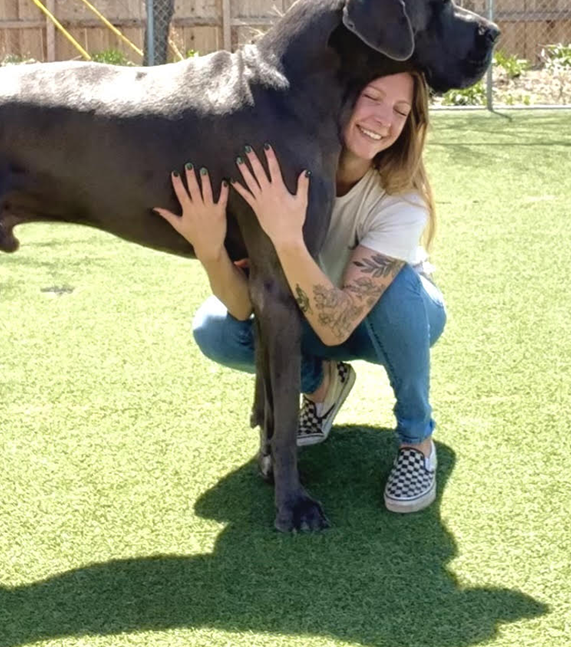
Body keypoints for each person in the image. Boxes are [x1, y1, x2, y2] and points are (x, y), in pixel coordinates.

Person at [153, 71, 446, 514]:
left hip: (394, 321)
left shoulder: (401, 200)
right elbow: (242, 307)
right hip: (311, 314)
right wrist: (210, 250)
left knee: (396, 285)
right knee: (215, 329)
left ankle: (417, 441)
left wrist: (287, 238)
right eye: (371, 96)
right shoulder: (281, 172)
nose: (383, 119)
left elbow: (337, 326)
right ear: (340, 96)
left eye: (401, 111)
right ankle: (322, 383)